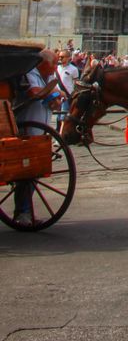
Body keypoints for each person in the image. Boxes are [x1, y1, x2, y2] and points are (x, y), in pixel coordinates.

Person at [13, 48, 58, 227]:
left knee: (34, 173)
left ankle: (26, 211)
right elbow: (35, 92)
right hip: (28, 128)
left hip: (41, 130)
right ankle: (22, 212)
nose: (56, 67)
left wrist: (54, 98)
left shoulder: (47, 77)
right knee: (27, 173)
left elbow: (48, 96)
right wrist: (54, 93)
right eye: (54, 63)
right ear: (43, 63)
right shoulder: (30, 73)